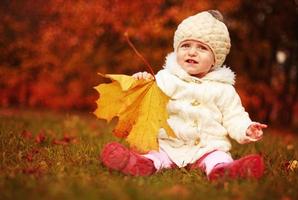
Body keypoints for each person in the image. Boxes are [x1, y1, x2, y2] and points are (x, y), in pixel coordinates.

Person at [100, 10, 267, 181]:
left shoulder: (224, 89)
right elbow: (147, 101)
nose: (192, 52)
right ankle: (139, 164)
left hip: (206, 146)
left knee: (218, 157)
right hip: (168, 144)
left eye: (202, 48)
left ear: (216, 59)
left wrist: (246, 128)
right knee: (155, 155)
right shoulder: (166, 78)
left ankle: (224, 170)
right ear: (177, 49)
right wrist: (142, 82)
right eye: (186, 46)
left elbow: (234, 116)